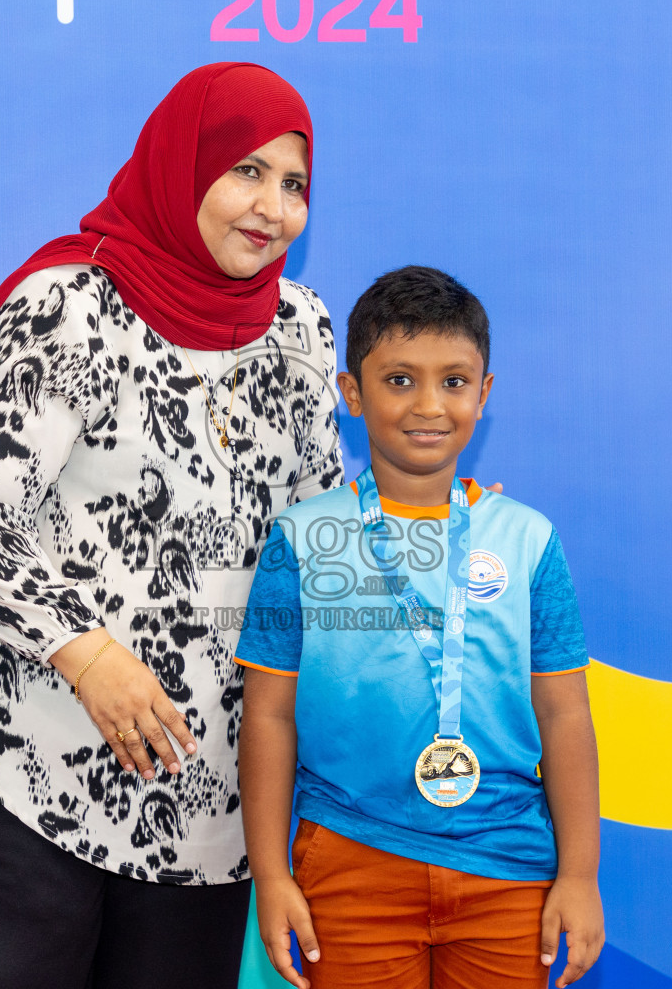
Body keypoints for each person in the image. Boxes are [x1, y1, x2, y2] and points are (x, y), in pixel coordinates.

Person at [0, 62, 343, 989]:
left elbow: (314, 528)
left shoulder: (302, 329)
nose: (272, 206)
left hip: (210, 782)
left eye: (295, 183)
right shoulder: (72, 305)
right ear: (182, 167)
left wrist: (423, 532)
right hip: (36, 747)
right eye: (245, 171)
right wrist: (87, 653)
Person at [235, 265, 606, 989]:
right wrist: (272, 875)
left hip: (506, 870)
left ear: (484, 393)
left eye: (454, 381)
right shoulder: (301, 541)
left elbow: (565, 712)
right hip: (347, 862)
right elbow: (269, 716)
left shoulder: (528, 540)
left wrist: (581, 875)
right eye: (399, 380)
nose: (429, 405)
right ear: (352, 394)